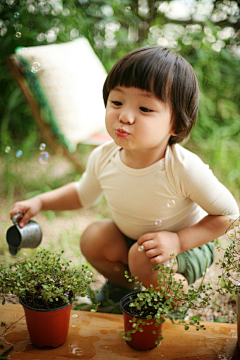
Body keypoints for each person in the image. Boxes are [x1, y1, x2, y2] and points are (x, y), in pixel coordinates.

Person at [10, 46, 239, 310]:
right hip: (136, 242)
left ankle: (173, 300)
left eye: (144, 108)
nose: (125, 116)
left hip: (184, 248)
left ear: (176, 124)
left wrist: (178, 241)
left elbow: (229, 215)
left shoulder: (182, 167)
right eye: (117, 102)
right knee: (94, 238)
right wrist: (40, 202)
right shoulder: (104, 156)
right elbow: (82, 193)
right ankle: (123, 288)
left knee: (141, 256)